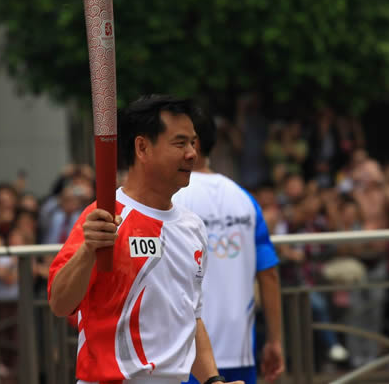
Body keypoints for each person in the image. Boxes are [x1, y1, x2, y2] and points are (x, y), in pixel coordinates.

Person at [48, 95, 243, 384]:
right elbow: (60, 303)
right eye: (180, 143)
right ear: (142, 147)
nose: (192, 153)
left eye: (193, 142)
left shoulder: (192, 227)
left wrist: (213, 380)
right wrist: (89, 250)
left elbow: (191, 316)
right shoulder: (104, 217)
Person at [172, 109, 284, 384]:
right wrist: (275, 341)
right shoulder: (244, 198)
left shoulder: (171, 199)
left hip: (188, 355)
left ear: (193, 143)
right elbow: (268, 274)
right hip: (240, 350)